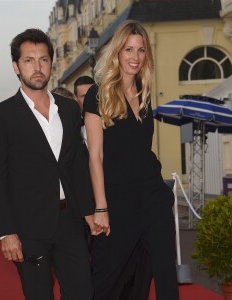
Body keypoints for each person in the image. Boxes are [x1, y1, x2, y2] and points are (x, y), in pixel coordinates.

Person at [0, 28, 96, 300]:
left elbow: (78, 166)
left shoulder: (69, 110)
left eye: (43, 60)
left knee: (83, 291)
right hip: (28, 228)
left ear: (51, 63)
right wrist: (6, 232)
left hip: (69, 222)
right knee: (38, 295)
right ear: (16, 67)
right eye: (29, 60)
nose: (37, 67)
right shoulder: (0, 116)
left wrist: (90, 211)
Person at [84, 20, 179, 300]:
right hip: (118, 199)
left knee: (164, 272)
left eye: (140, 50)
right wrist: (101, 207)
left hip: (152, 196)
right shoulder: (97, 94)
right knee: (105, 278)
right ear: (117, 52)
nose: (135, 57)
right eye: (128, 49)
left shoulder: (145, 94)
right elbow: (95, 155)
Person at [74, 76, 95, 146]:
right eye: (84, 96)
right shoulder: (74, 126)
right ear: (76, 99)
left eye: (92, 94)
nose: (89, 99)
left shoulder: (111, 119)